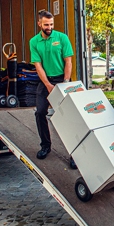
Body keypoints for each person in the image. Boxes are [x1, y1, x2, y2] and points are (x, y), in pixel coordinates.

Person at [30, 10, 76, 169]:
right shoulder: (34, 42)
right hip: (46, 80)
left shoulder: (62, 38)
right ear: (39, 24)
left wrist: (64, 83)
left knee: (67, 116)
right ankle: (45, 146)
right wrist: (48, 86)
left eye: (51, 24)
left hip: (63, 79)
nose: (49, 27)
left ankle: (74, 154)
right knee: (40, 112)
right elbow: (38, 66)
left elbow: (68, 62)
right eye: (46, 25)